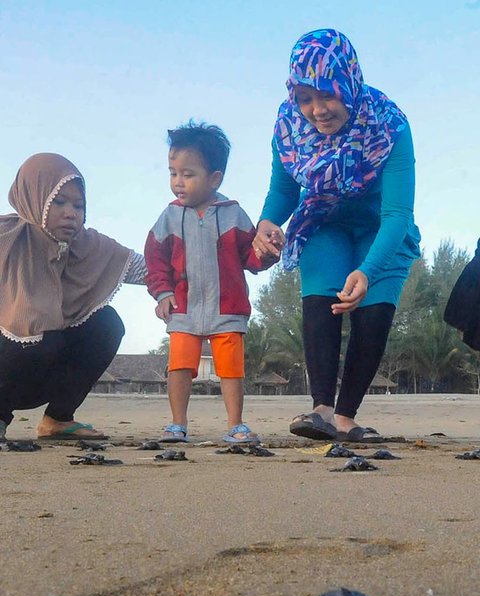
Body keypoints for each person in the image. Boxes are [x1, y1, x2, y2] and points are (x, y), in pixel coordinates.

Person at [253, 29, 421, 442]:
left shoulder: (390, 124)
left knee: (374, 305)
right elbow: (284, 189)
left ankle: (346, 416)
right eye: (305, 98)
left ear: (348, 82)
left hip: (380, 226)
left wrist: (367, 270)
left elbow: (398, 213)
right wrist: (267, 222)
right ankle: (321, 410)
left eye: (326, 95)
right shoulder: (288, 124)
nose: (317, 110)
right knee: (323, 295)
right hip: (324, 220)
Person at [144, 121, 276, 444]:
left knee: (230, 369)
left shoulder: (233, 214)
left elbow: (251, 257)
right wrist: (162, 293)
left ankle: (235, 424)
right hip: (184, 307)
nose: (178, 182)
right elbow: (155, 260)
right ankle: (177, 423)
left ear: (214, 178)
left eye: (188, 175)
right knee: (179, 366)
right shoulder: (169, 217)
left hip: (227, 306)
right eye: (173, 173)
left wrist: (269, 252)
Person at [0, 153, 146, 441]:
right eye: (59, 202)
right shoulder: (6, 237)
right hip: (5, 358)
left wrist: (188, 279)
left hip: (42, 369)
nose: (71, 213)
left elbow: (146, 270)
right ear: (34, 197)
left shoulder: (87, 245)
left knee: (107, 324)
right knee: (33, 322)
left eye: (78, 205)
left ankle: (58, 418)